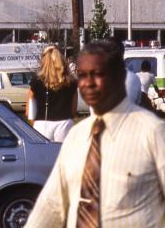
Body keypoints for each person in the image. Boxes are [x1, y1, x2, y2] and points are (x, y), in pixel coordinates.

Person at [26, 39, 165, 226]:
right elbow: (50, 205)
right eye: (82, 75)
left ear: (118, 77)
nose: (88, 83)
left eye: (97, 74)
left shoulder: (152, 133)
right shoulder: (76, 137)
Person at [25, 45, 77, 142]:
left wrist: (34, 123)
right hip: (64, 123)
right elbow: (73, 110)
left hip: (41, 124)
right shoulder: (71, 82)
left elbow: (29, 111)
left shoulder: (36, 82)